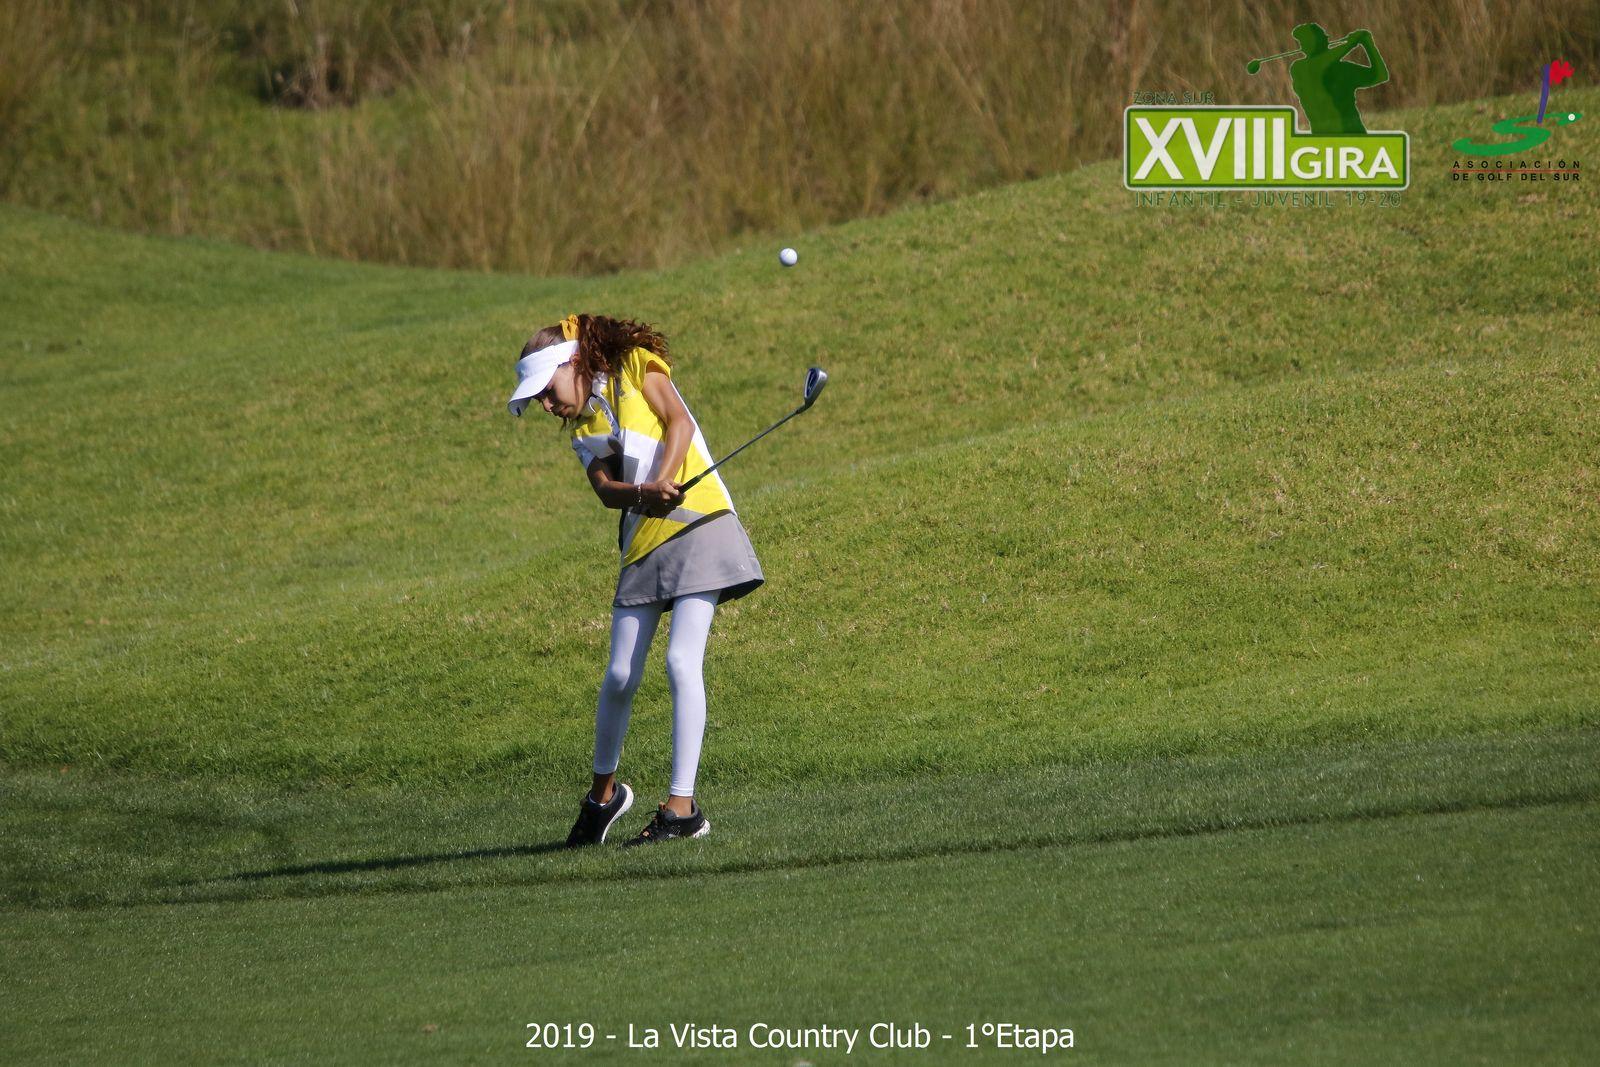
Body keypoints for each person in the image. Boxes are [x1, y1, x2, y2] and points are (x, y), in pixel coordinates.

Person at [507, 313, 764, 848]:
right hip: (643, 537)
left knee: (680, 661)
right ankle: (603, 798)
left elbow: (679, 423)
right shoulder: (584, 428)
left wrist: (663, 481)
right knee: (620, 674)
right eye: (539, 401)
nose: (547, 406)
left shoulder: (634, 364)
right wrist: (645, 494)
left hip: (699, 520)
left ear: (572, 364)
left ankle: (681, 809)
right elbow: (606, 490)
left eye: (548, 392)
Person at [1287, 24, 1388, 136]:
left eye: (1305, 41)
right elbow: (1320, 63)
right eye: (1302, 42)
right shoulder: (1299, 68)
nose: (1327, 37)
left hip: (1352, 134)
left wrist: (1368, 44)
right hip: (1327, 136)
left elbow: (1381, 75)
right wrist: (1352, 43)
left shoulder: (1343, 69)